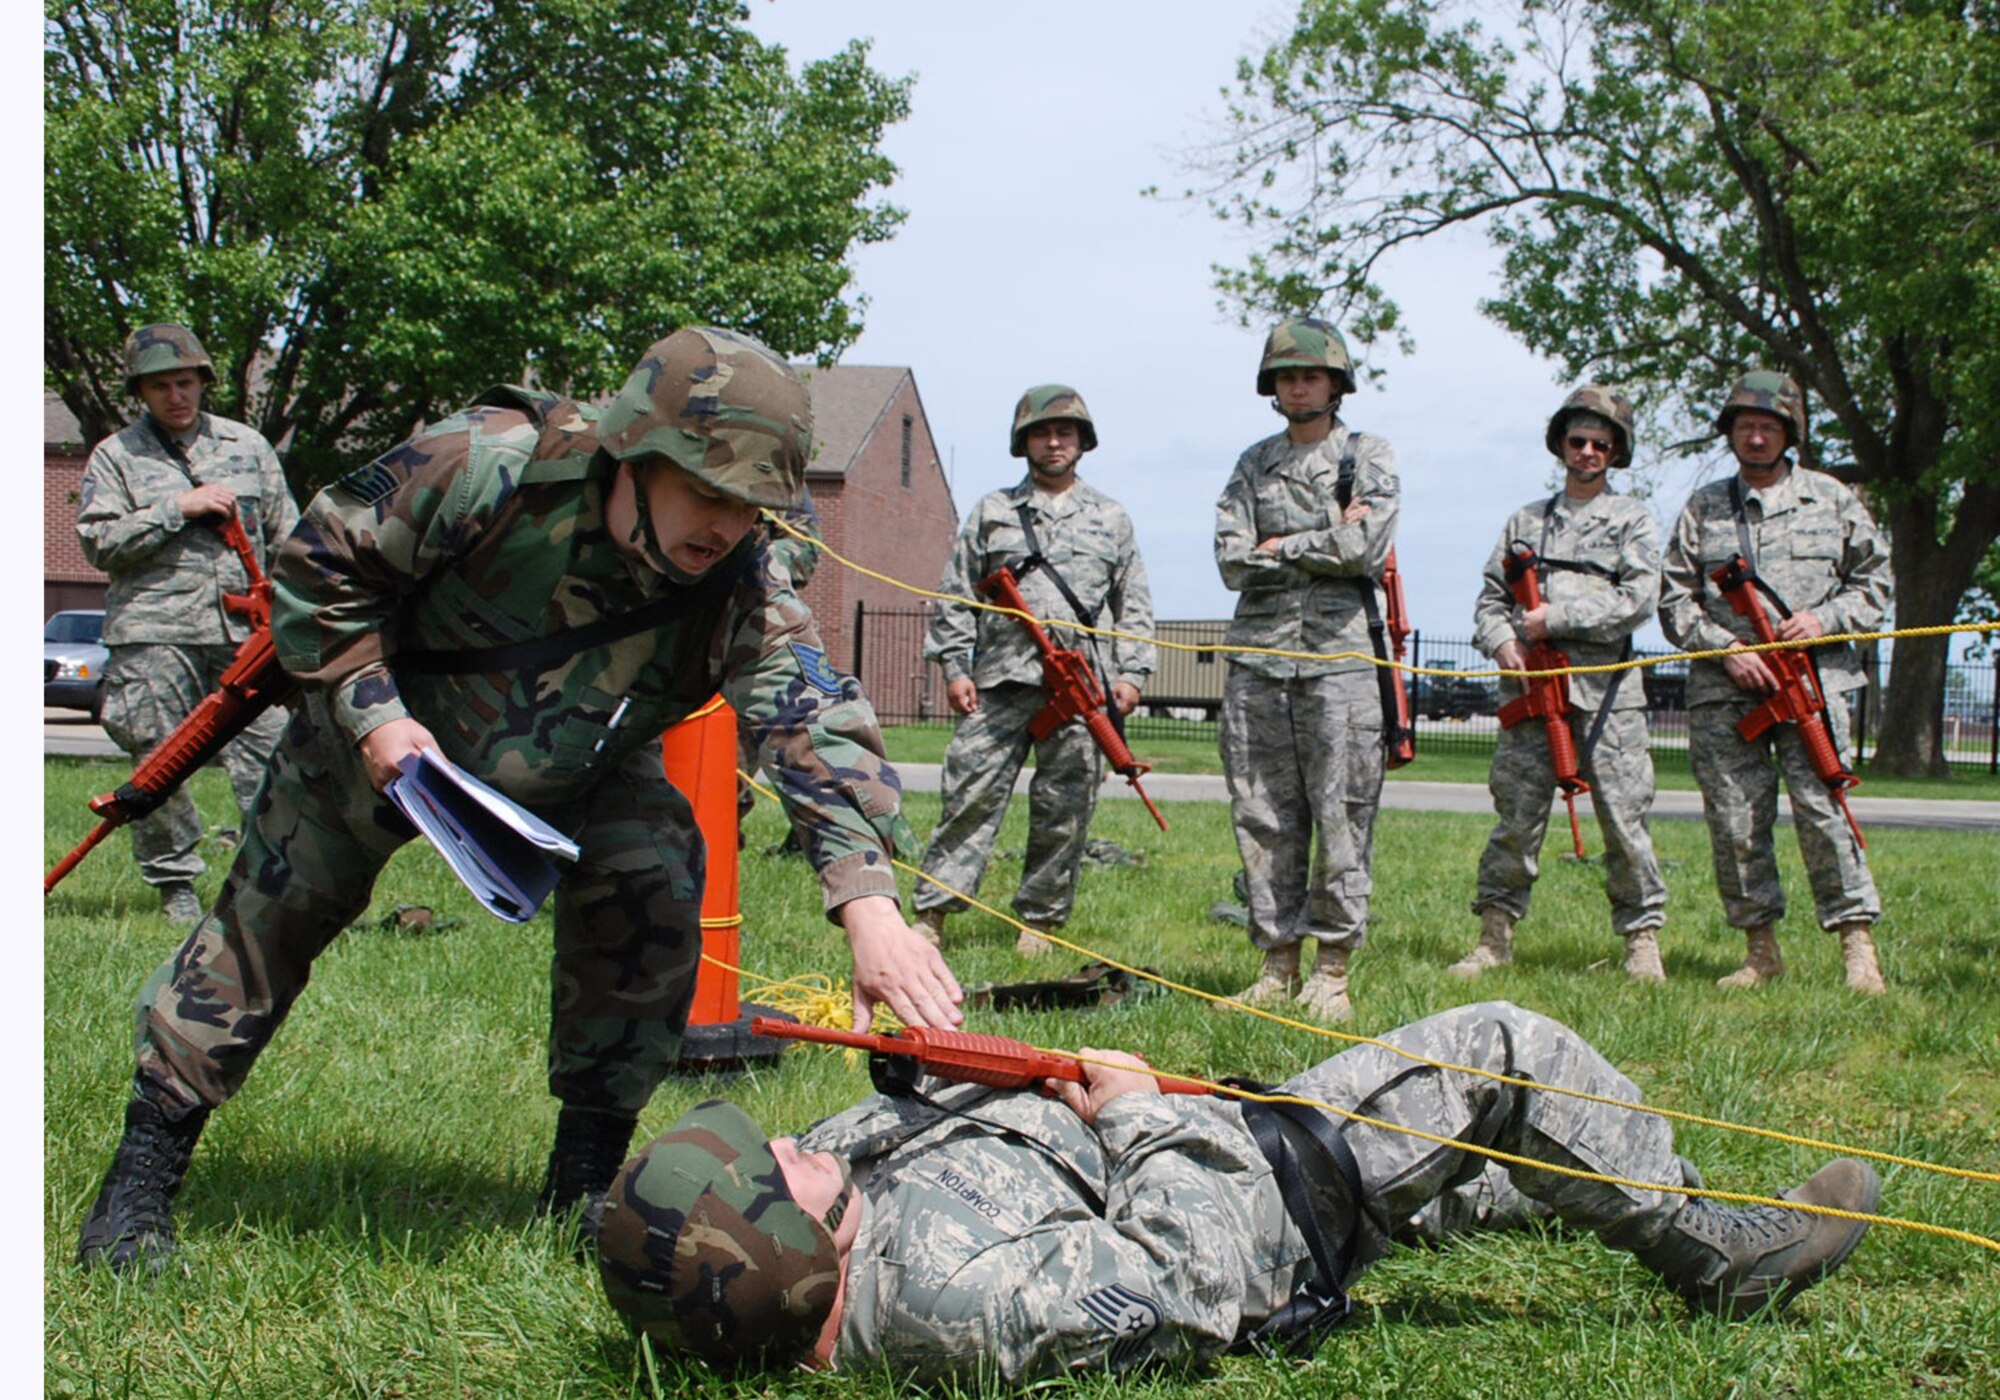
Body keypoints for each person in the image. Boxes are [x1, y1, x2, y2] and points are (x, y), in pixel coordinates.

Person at [75, 327, 965, 1275]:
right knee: (270, 916)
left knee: (654, 876)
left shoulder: (741, 577)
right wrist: (373, 718)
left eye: (751, 506)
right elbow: (316, 567)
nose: (726, 523)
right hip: (388, 738)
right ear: (636, 451)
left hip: (583, 764)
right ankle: (143, 1175)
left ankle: (582, 1182)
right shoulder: (492, 466)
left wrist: (869, 906)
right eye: (706, 490)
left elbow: (813, 718)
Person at [596, 999, 1881, 1383]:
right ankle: (1723, 1249)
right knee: (1496, 1053)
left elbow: (901, 1111)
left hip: (1158, 1134)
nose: (792, 1142)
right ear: (788, 1250)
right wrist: (1148, 1112)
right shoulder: (959, 1307)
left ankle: (1644, 1194)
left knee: (1498, 1181)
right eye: (775, 1168)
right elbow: (1181, 1284)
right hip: (1255, 1204)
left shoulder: (837, 1198)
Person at [1659, 372, 1892, 994]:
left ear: (1789, 433)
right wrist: (1726, 648)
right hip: (1726, 692)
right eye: (1745, 426)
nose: (1756, 436)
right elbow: (1672, 600)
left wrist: (1825, 619)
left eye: (1768, 427)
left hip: (1814, 685)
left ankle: (1857, 947)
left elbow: (1876, 583)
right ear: (1731, 434)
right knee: (1736, 820)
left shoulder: (1832, 498)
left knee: (1825, 812)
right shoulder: (1704, 507)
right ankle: (1760, 950)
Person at [910, 385, 1154, 956]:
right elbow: (956, 592)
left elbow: (1134, 602)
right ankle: (933, 913)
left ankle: (1039, 922)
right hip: (999, 681)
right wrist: (953, 664)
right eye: (1041, 433)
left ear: (1082, 442)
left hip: (1081, 690)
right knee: (969, 796)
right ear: (1023, 443)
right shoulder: (993, 511)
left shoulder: (1111, 518)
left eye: (1064, 432)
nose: (1053, 442)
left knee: (1064, 809)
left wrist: (1133, 673)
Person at [75, 323, 299, 924]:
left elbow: (289, 538)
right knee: (159, 758)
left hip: (245, 637)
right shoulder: (117, 456)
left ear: (203, 383)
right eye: (160, 387)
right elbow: (97, 543)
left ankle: (274, 881)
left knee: (278, 753)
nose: (176, 396)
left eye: (184, 383)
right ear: (140, 394)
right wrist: (177, 508)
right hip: (155, 634)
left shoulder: (248, 447)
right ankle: (175, 886)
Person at [1213, 318, 1400, 1021]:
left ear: (1336, 382)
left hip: (1339, 662)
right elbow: (1231, 560)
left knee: (1343, 811)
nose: (1298, 385)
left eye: (1311, 375)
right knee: (1263, 813)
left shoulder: (1366, 455)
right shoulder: (1253, 463)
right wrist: (1322, 539)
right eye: (1287, 375)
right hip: (1260, 660)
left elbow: (1366, 546)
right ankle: (1275, 965)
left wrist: (1282, 541)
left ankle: (1333, 969)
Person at [1453, 386, 1670, 981]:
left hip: (1607, 699)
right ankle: (1494, 937)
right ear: (1561, 445)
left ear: (1616, 452)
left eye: (1602, 443)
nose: (1588, 452)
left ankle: (1641, 941)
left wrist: (1558, 619)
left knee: (1624, 822)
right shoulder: (1526, 521)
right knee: (1517, 820)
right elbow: (1490, 601)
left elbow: (1638, 599)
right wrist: (1503, 641)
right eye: (1578, 441)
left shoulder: (1633, 521)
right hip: (1531, 696)